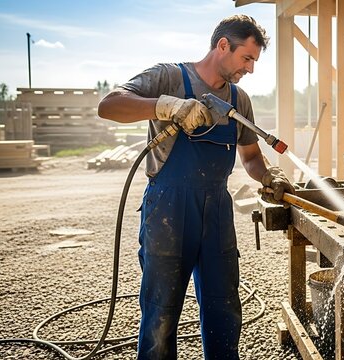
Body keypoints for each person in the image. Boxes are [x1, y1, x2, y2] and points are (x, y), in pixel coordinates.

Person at [97, 15, 294, 359]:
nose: (250, 68)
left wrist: (268, 175)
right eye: (246, 58)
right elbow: (109, 105)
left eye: (254, 60)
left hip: (217, 210)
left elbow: (250, 156)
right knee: (161, 312)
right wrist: (166, 105)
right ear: (222, 46)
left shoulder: (238, 99)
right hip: (168, 209)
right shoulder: (169, 77)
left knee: (225, 308)